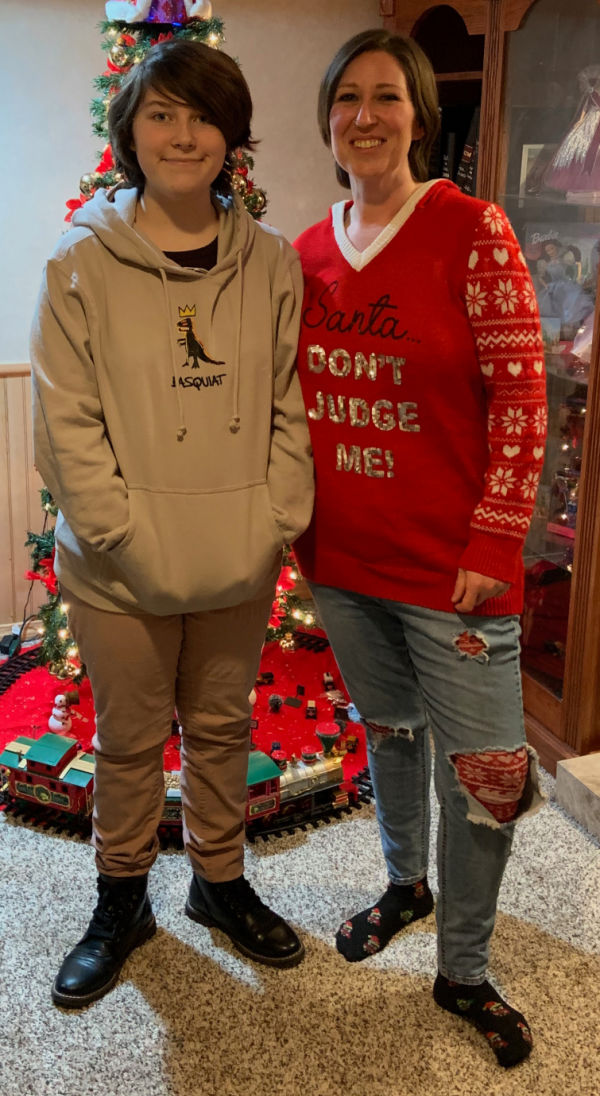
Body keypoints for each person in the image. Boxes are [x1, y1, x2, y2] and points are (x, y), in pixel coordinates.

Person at [30, 38, 314, 1009]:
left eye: (202, 115)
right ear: (131, 133)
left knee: (225, 728)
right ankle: (122, 900)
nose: (182, 133)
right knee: (129, 735)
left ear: (232, 134)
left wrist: (277, 517)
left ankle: (219, 883)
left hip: (236, 552)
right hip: (118, 563)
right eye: (161, 113)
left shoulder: (271, 264)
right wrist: (123, 535)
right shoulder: (79, 262)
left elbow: (286, 407)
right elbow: (66, 422)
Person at [293, 29, 547, 1069]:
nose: (365, 114)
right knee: (389, 732)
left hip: (456, 570)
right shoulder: (310, 250)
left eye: (387, 96)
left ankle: (466, 968)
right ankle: (405, 882)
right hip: (343, 560)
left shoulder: (472, 229)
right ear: (328, 118)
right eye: (347, 96)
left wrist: (497, 530)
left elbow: (524, 397)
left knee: (486, 770)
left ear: (420, 115)